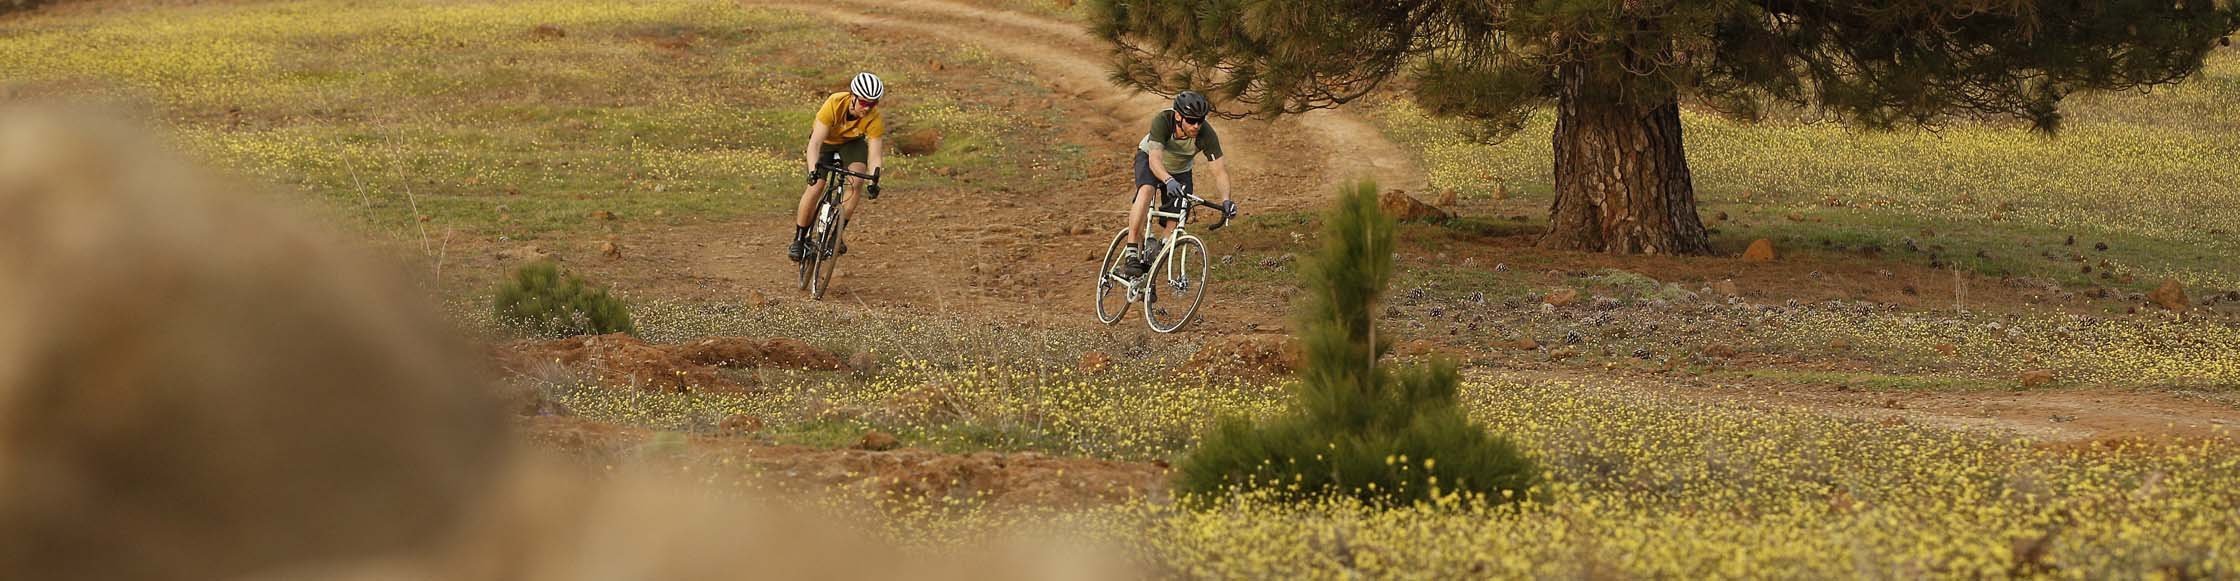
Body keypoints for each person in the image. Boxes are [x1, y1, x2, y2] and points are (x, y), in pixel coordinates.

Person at [1117, 91, 1236, 280]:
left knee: (1176, 219)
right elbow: (1155, 160)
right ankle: (1132, 249)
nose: (1196, 125)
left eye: (1200, 120)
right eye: (1191, 120)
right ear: (1179, 116)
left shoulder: (1205, 133)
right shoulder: (1163, 121)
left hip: (1180, 171)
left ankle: (1151, 263)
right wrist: (1167, 180)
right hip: (1151, 161)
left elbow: (1219, 170)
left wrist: (1227, 200)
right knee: (1146, 189)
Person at [788, 72, 887, 262]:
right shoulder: (834, 103)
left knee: (856, 180)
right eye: (864, 103)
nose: (867, 108)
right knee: (816, 186)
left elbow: (874, 155)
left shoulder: (874, 118)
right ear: (853, 97)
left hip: (851, 143)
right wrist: (812, 171)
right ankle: (799, 239)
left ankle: (835, 236)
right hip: (826, 141)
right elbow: (815, 143)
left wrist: (875, 180)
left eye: (873, 104)